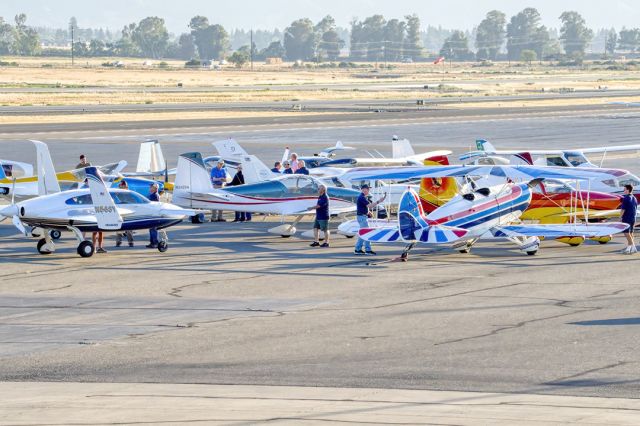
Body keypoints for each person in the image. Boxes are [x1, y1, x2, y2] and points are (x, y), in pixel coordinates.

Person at [354, 184, 386, 255]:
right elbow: (370, 205)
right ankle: (367, 250)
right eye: (367, 189)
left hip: (362, 217)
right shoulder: (362, 197)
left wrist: (368, 212)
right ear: (364, 189)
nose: (368, 190)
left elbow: (364, 207)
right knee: (366, 233)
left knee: (363, 233)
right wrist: (379, 201)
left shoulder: (362, 197)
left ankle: (358, 249)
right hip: (362, 217)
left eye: (368, 189)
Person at [115, 180, 134, 247]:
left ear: (126, 186)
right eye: (121, 185)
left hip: (128, 212)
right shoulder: (116, 194)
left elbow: (133, 201)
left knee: (129, 228)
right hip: (119, 212)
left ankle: (130, 242)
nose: (122, 186)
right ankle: (118, 241)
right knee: (119, 227)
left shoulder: (129, 194)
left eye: (123, 185)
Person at [620, 184, 638, 254]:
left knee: (626, 233)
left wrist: (620, 217)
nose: (623, 191)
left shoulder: (626, 198)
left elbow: (623, 209)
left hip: (627, 217)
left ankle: (630, 247)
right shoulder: (634, 198)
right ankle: (632, 248)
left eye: (624, 189)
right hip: (633, 217)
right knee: (630, 233)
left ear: (628, 190)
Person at [147, 183, 160, 249]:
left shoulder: (154, 195)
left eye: (151, 187)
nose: (150, 188)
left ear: (155, 188)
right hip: (152, 214)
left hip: (154, 215)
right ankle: (152, 242)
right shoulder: (153, 195)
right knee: (151, 229)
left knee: (153, 229)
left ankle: (155, 243)